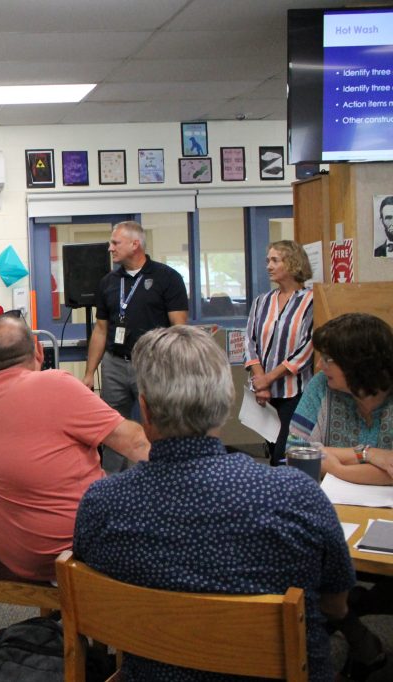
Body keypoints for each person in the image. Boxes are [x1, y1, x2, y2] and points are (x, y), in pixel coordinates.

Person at [73, 326, 357, 682]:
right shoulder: (295, 497)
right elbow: (335, 605)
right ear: (225, 403)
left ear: (144, 410)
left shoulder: (101, 505)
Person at [0, 313, 149, 582]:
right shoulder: (56, 384)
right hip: (79, 555)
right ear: (38, 349)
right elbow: (136, 443)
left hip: (16, 558)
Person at [81, 221, 188, 473]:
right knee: (112, 427)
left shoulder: (167, 278)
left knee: (156, 424)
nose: (110, 248)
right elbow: (100, 330)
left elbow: (179, 328)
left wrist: (176, 368)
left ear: (135, 244)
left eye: (115, 243)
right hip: (115, 363)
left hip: (152, 364)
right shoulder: (108, 281)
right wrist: (88, 373)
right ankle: (112, 485)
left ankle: (156, 478)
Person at [289, 313, 393, 485]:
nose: (319, 365)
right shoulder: (321, 385)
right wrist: (368, 454)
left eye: (328, 359)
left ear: (359, 363)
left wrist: (338, 468)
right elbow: (296, 453)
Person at [244, 240, 315, 465]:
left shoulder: (311, 300)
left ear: (293, 263)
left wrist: (268, 378)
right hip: (264, 392)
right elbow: (249, 341)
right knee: (272, 447)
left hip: (294, 392)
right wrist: (260, 381)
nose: (269, 266)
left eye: (275, 260)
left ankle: (283, 495)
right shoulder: (262, 301)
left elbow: (307, 348)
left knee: (284, 453)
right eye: (268, 261)